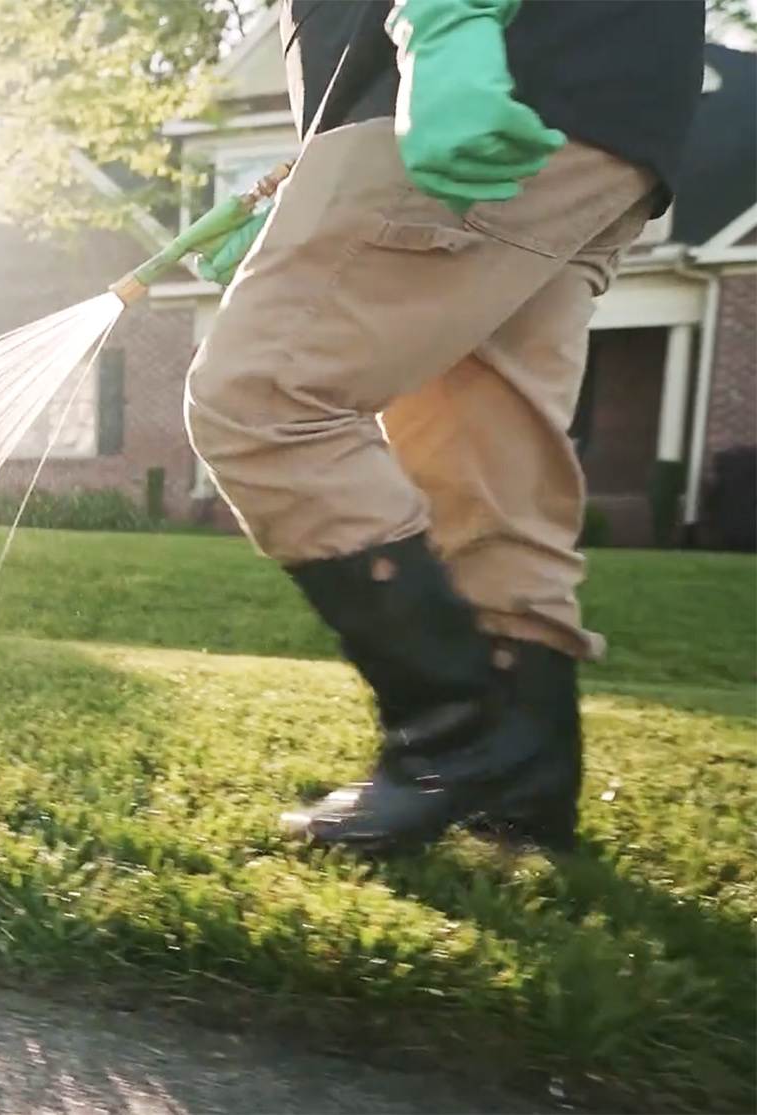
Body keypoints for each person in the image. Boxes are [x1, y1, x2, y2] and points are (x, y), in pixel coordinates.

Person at [182, 0, 707, 854]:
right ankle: (525, 792)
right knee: (483, 448)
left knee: (262, 399)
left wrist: (446, 21)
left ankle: (452, 741)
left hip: (489, 60)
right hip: (600, 109)